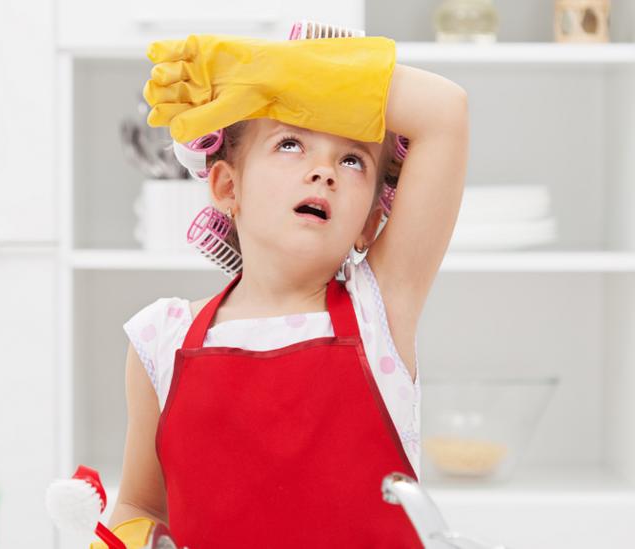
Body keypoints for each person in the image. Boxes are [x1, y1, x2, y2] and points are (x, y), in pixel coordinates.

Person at [100, 32, 468, 548]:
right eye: (290, 144)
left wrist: (272, 71)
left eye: (353, 159)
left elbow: (444, 112)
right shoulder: (161, 341)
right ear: (228, 187)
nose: (324, 171)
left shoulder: (379, 309)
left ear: (370, 222)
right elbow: (141, 505)